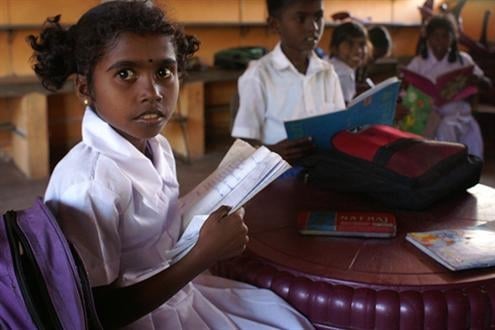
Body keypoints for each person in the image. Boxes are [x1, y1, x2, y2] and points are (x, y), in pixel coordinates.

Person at [31, 1, 314, 329]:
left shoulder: (157, 145)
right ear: (85, 87)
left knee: (285, 316)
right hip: (139, 317)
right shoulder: (89, 183)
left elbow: (151, 228)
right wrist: (203, 256)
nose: (152, 92)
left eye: (164, 72)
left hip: (174, 294)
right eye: (125, 74)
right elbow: (97, 313)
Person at [231, 0, 345, 164]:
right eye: (301, 18)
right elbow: (242, 145)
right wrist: (272, 152)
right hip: (279, 172)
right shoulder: (258, 76)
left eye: (318, 17)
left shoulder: (328, 72)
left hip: (324, 166)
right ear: (274, 24)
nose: (313, 27)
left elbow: (339, 127)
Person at [405, 14, 492, 159]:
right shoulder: (419, 63)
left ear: (452, 38)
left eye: (445, 36)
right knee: (434, 126)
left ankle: (451, 167)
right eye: (435, 36)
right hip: (426, 112)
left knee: (448, 126)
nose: (440, 41)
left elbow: (487, 83)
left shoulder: (463, 60)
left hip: (457, 113)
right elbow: (406, 89)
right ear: (428, 38)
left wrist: (476, 79)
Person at [327, 21, 369, 104]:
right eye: (350, 44)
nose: (358, 51)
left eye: (362, 44)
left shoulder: (327, 63)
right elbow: (345, 111)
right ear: (335, 48)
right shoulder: (345, 73)